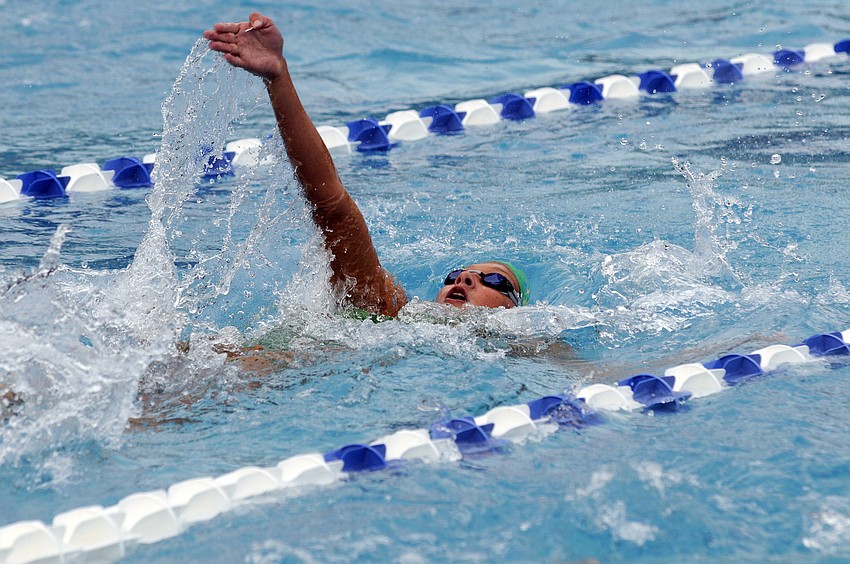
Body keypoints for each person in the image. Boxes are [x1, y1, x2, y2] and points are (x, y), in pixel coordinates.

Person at [203, 13, 529, 318]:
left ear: (515, 312)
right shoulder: (390, 313)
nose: (466, 278)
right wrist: (278, 76)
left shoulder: (526, 345)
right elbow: (332, 208)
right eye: (455, 274)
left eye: (495, 282)